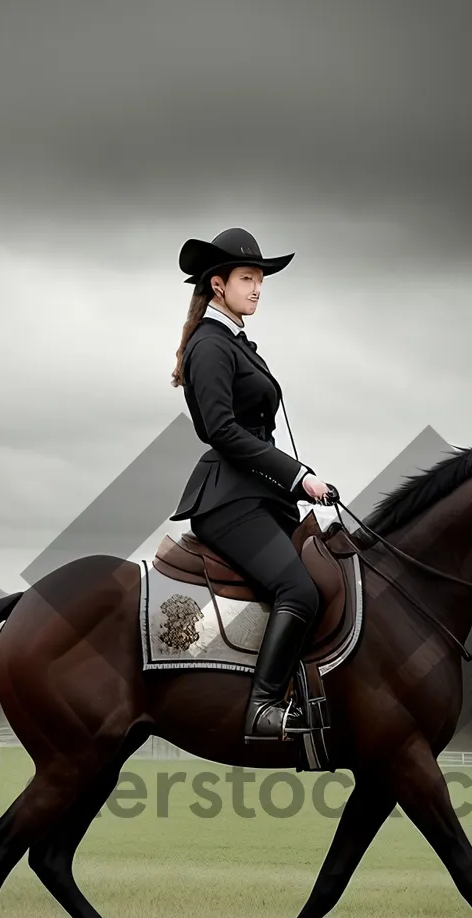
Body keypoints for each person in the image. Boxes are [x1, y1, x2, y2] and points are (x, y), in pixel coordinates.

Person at [169, 227, 337, 742]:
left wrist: (297, 479)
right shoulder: (210, 346)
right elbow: (220, 430)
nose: (258, 288)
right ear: (218, 285)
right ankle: (262, 709)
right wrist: (298, 475)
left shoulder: (235, 342)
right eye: (248, 278)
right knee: (299, 592)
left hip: (260, 495)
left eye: (261, 279)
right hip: (230, 499)